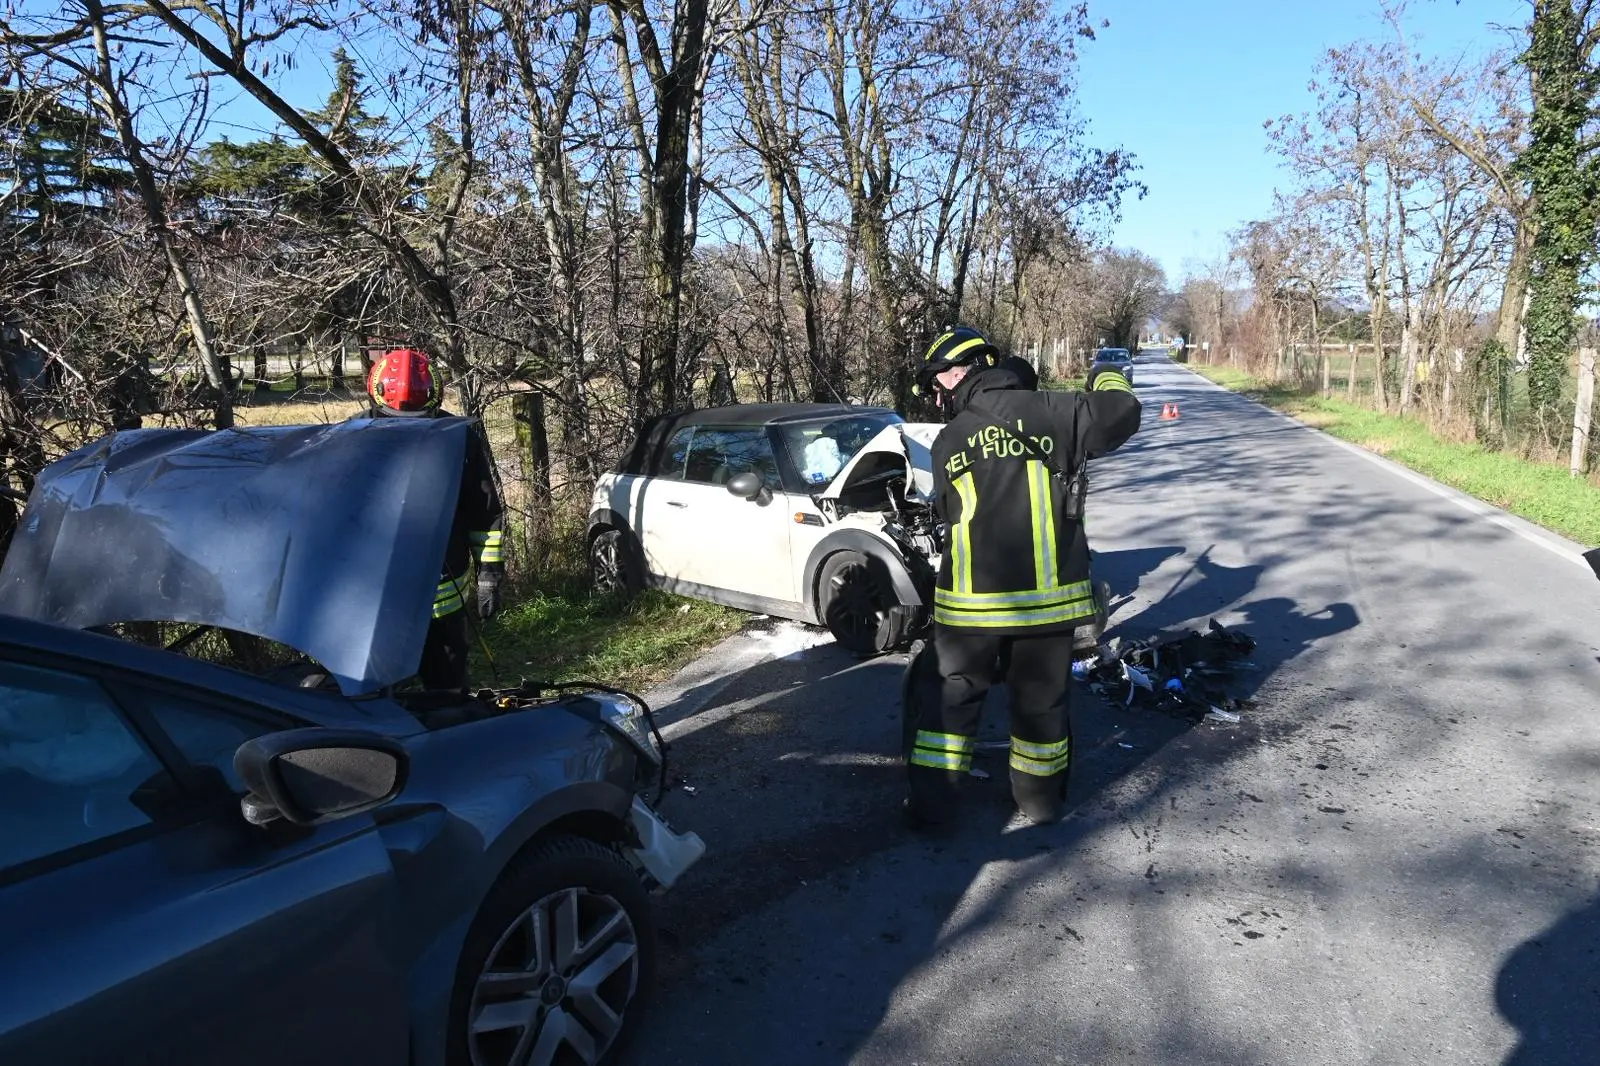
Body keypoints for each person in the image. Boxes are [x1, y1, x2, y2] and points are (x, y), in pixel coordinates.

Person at [906, 325, 1140, 828]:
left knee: (950, 707)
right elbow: (1121, 414)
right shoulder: (1059, 411)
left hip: (971, 606)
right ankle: (1039, 804)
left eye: (936, 383)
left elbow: (948, 513)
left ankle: (933, 809)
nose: (937, 395)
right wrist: (1106, 375)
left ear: (955, 372)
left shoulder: (950, 438)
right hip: (1049, 605)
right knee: (1040, 706)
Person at [365, 347, 505, 691]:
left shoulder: (458, 440)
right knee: (377, 702)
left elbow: (484, 511)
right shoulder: (355, 439)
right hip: (376, 603)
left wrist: (489, 575)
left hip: (443, 606)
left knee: (447, 693)